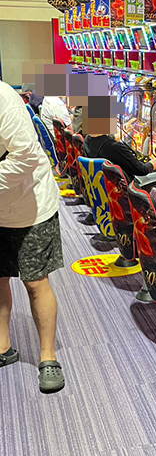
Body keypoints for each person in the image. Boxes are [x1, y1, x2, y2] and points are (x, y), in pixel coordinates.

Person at [0, 79, 65, 393]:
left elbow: (25, 157)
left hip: (31, 203)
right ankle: (3, 346)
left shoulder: (3, 99)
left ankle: (48, 356)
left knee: (35, 282)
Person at [83, 125, 156, 210]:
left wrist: (123, 131)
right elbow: (143, 170)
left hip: (106, 192)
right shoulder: (113, 147)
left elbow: (109, 142)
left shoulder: (89, 140)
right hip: (127, 195)